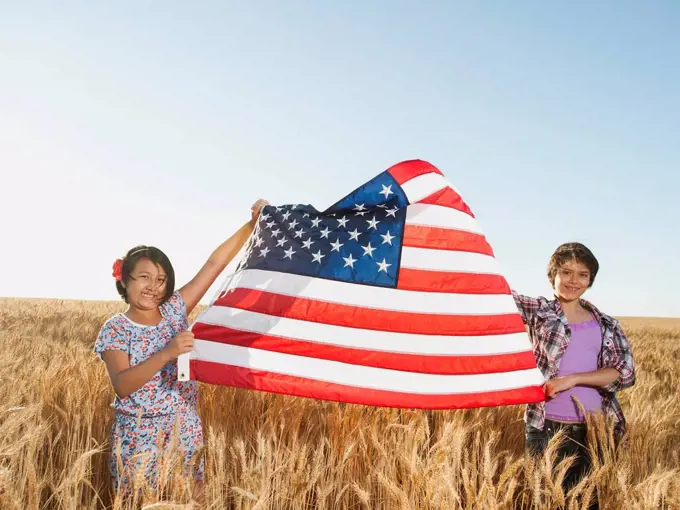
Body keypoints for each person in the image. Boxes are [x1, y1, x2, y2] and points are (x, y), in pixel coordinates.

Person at [94, 199, 268, 498]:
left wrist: (252, 225)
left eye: (161, 279)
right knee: (141, 501)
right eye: (144, 277)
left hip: (183, 426)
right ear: (125, 280)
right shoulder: (116, 329)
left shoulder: (175, 309)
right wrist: (167, 352)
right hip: (138, 436)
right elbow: (122, 385)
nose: (153, 286)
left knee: (193, 499)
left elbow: (214, 264)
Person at [513, 242, 635, 503]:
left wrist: (574, 379)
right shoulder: (539, 311)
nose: (573, 280)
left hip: (594, 429)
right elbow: (493, 294)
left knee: (588, 502)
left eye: (582, 274)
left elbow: (623, 372)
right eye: (566, 272)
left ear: (590, 280)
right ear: (553, 276)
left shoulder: (606, 324)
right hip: (546, 427)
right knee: (544, 500)